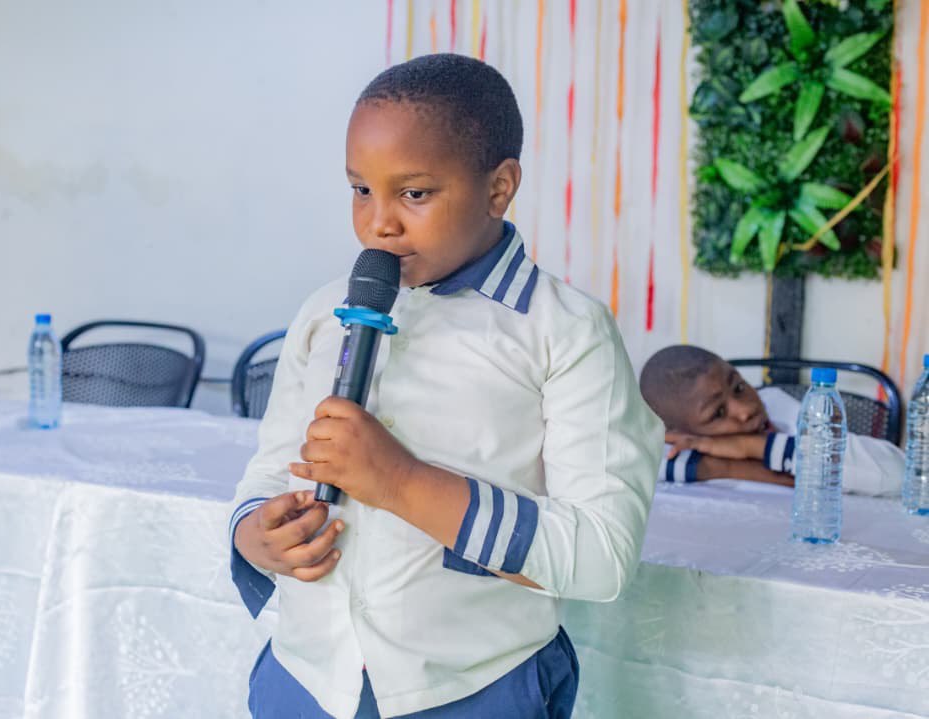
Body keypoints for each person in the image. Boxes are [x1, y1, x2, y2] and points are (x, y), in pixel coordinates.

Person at [228, 53, 663, 718]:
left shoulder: (565, 332)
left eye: (415, 193)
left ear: (499, 188)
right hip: (307, 680)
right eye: (359, 189)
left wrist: (399, 481)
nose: (379, 223)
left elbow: (602, 555)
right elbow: (268, 470)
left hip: (475, 688)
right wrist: (254, 533)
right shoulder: (322, 316)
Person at [639, 344, 903, 495]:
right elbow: (634, 469)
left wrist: (756, 447)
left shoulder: (782, 407)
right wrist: (721, 467)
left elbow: (900, 475)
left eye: (739, 387)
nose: (745, 410)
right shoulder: (665, 455)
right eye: (718, 413)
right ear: (676, 433)